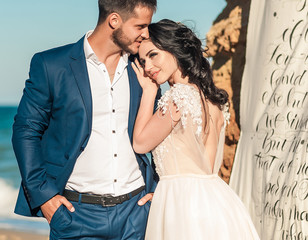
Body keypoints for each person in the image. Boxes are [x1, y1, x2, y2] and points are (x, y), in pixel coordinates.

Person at [12, 0, 160, 239]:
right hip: (75, 215)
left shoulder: (144, 69)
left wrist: (158, 188)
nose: (146, 34)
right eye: (140, 26)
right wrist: (44, 197)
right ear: (114, 21)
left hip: (137, 213)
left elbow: (160, 130)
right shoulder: (52, 65)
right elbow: (25, 130)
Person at [132, 19, 260, 240]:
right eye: (143, 61)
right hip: (216, 202)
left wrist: (149, 92)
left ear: (174, 49)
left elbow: (140, 143)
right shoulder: (214, 102)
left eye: (153, 55)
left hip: (182, 206)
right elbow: (205, 168)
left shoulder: (177, 97)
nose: (147, 68)